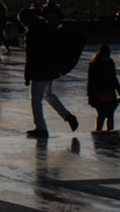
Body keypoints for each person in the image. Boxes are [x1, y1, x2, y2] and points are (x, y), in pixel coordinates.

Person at [21, 7, 78, 138]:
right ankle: (67, 116)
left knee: (36, 100)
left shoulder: (32, 33)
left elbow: (31, 55)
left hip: (40, 70)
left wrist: (27, 74)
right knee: (48, 95)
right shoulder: (45, 27)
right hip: (51, 68)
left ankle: (41, 128)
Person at [87, 44, 120, 131]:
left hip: (109, 93)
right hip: (99, 93)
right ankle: (100, 133)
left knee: (109, 115)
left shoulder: (109, 63)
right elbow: (91, 82)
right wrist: (90, 96)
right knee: (102, 115)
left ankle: (107, 133)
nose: (106, 58)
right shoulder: (94, 64)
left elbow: (114, 79)